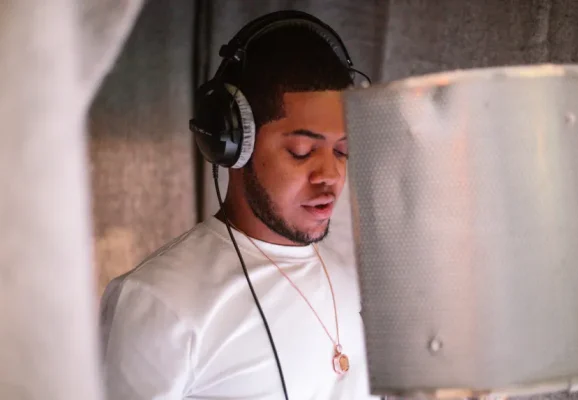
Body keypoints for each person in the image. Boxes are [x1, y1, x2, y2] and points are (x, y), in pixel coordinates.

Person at [100, 10, 377, 400]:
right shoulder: (158, 301)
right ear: (233, 145)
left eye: (342, 151)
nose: (330, 175)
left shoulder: (351, 280)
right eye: (301, 152)